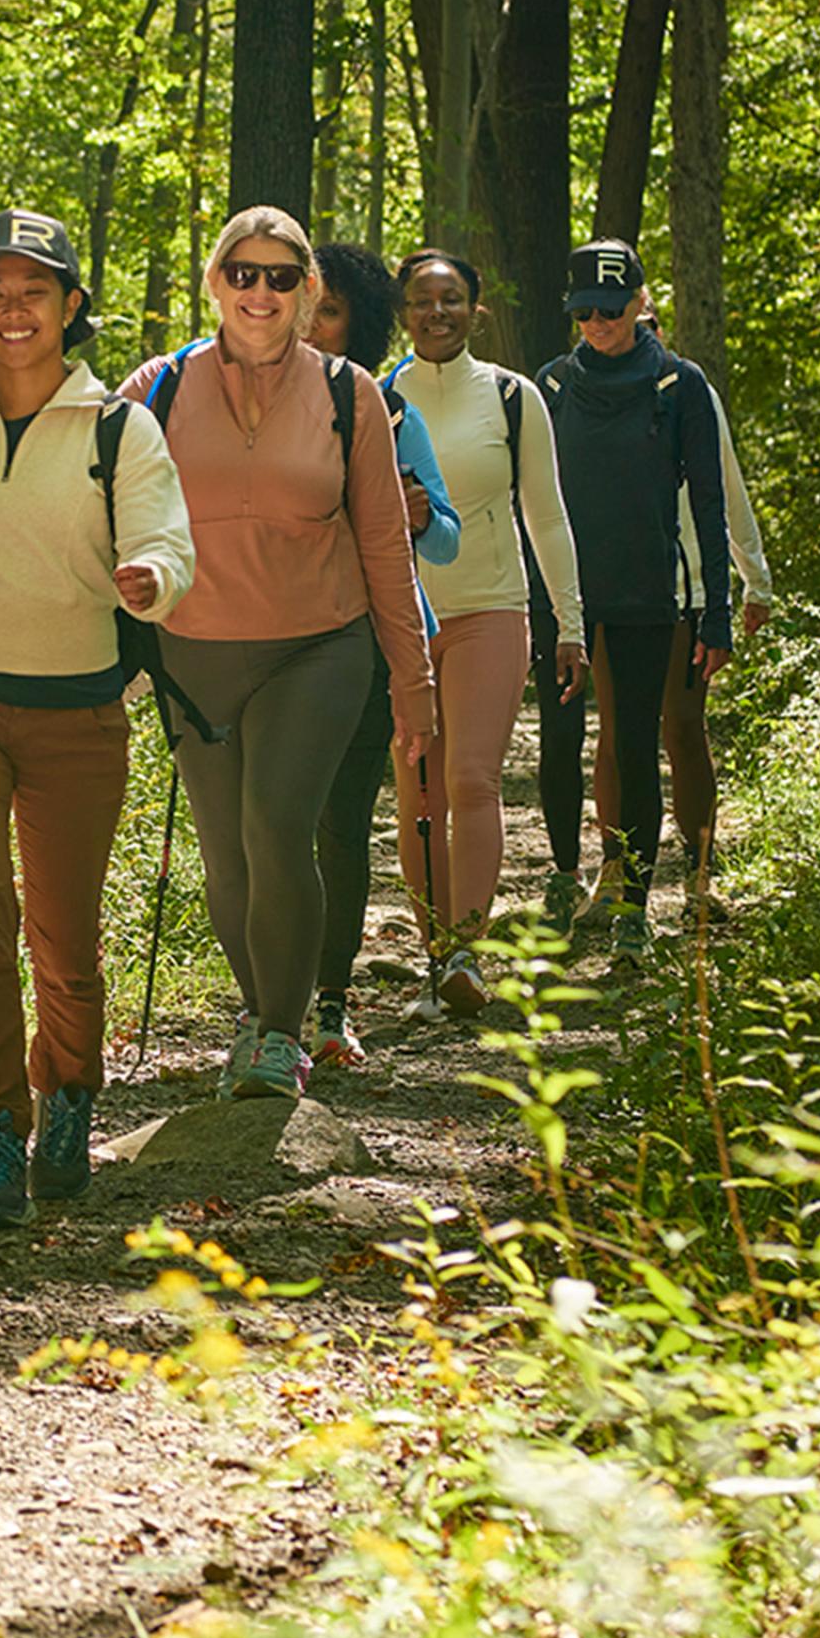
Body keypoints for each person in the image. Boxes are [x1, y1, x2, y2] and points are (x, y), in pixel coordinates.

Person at [0, 210, 197, 1229]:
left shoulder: (122, 427)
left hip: (76, 709)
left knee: (62, 934)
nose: (11, 310)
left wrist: (150, 578)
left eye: (33, 291)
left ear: (72, 306)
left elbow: (168, 539)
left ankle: (69, 1095)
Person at [121, 210, 437, 1100]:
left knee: (277, 825)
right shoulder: (156, 388)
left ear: (309, 293)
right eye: (244, 274)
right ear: (215, 281)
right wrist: (128, 583)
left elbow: (384, 543)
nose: (262, 292)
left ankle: (278, 1037)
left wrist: (412, 683)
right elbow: (100, 505)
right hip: (194, 651)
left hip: (320, 646)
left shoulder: (350, 394)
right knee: (227, 857)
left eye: (283, 277)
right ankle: (261, 1013)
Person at [385, 250, 584, 1014]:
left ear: (477, 309)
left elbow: (548, 512)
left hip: (492, 611)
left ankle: (466, 952)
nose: (436, 313)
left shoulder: (512, 396)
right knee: (419, 790)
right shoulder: (376, 397)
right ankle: (435, 947)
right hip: (403, 619)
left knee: (471, 778)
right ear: (403, 312)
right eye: (422, 301)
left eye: (452, 300)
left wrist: (569, 618)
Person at [528, 241, 734, 964]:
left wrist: (719, 611)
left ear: (641, 303)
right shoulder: (550, 387)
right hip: (568, 595)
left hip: (651, 590)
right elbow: (532, 500)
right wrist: (541, 600)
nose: (595, 322)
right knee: (570, 740)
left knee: (638, 743)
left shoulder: (679, 386)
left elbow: (709, 502)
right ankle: (570, 878)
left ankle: (636, 908)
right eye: (581, 310)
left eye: (609, 309)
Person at [296, 242, 459, 1070]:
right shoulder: (238, 404)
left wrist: (422, 514)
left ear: (356, 325)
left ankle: (327, 1008)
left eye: (327, 310)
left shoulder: (392, 414)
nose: (310, 324)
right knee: (268, 832)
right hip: (264, 645)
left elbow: (451, 538)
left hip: (364, 642)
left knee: (341, 826)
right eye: (304, 306)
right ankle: (270, 1009)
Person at [582, 377, 777, 928]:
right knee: (617, 729)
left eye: (644, 325)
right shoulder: (588, 393)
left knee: (685, 726)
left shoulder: (691, 392)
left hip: (685, 589)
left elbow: (725, 487)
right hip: (611, 591)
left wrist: (753, 579)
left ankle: (700, 877)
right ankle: (616, 871)